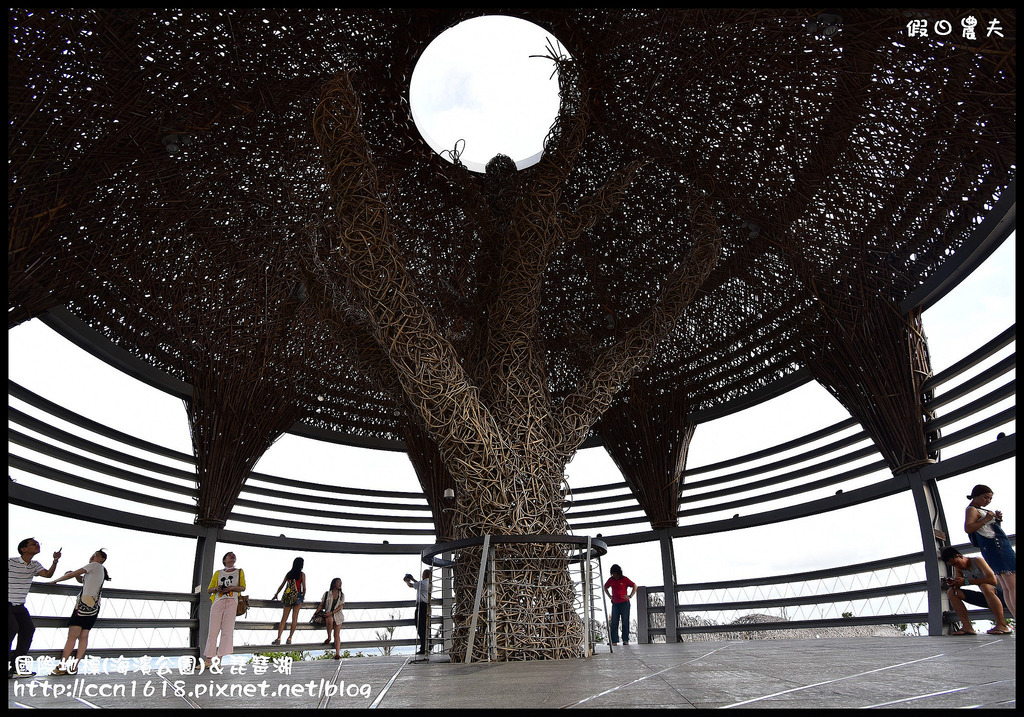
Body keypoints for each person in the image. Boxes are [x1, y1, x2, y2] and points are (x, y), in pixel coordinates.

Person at [48, 549, 111, 675]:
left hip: (82, 606)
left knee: (72, 636)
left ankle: (62, 666)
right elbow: (82, 580)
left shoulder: (93, 565)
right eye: (93, 554)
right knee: (84, 636)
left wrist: (55, 581)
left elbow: (72, 575)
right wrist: (76, 575)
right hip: (94, 607)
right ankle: (74, 666)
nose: (93, 556)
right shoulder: (101, 570)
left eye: (97, 555)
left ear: (102, 559)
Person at [9, 538, 62, 678]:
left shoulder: (34, 565)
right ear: (23, 549)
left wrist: (55, 561)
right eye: (34, 544)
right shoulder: (11, 562)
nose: (37, 545)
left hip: (20, 604)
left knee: (28, 630)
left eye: (38, 543)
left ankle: (17, 668)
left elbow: (48, 575)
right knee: (11, 629)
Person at [963, 484, 1015, 618]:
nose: (988, 501)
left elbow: (987, 531)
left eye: (990, 499)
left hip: (993, 548)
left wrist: (996, 521)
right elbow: (969, 528)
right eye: (986, 498)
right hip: (998, 547)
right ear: (976, 496)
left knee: (1008, 588)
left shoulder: (979, 510)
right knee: (1012, 586)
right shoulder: (972, 510)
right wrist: (986, 519)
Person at [940, 547, 1013, 635]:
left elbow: (993, 580)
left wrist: (967, 581)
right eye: (953, 565)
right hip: (988, 597)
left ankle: (1002, 625)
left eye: (956, 563)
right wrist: (954, 583)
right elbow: (959, 585)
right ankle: (967, 626)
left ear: (959, 556)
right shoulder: (959, 568)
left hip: (1005, 596)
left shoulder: (977, 561)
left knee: (985, 586)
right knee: (952, 592)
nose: (957, 566)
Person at [203, 551, 245, 664]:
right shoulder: (218, 573)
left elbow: (243, 587)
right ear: (224, 560)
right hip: (218, 601)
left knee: (227, 630)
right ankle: (208, 659)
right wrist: (217, 589)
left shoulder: (240, 571)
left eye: (233, 555)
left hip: (232, 601)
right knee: (213, 630)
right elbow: (209, 590)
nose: (232, 556)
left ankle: (219, 659)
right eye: (229, 555)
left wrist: (231, 588)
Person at [271, 557, 305, 645]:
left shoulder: (289, 574)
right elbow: (304, 587)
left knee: (284, 618)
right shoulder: (302, 575)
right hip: (298, 597)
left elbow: (282, 585)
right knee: (294, 618)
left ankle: (278, 638)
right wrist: (303, 597)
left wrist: (276, 594)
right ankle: (289, 638)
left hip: (288, 597)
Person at [604, 563, 637, 646]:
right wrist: (610, 596)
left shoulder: (624, 579)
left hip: (624, 603)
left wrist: (630, 596)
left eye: (615, 573)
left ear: (618, 572)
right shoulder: (611, 580)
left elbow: (635, 586)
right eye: (612, 574)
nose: (614, 575)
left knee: (625, 621)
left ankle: (625, 639)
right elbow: (605, 587)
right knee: (614, 622)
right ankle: (614, 640)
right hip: (615, 604)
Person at [316, 577, 345, 659]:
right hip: (328, 614)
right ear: (334, 584)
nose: (340, 584)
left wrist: (331, 612)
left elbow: (340, 606)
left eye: (340, 582)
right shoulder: (327, 594)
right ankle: (329, 637)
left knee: (337, 634)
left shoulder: (341, 595)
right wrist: (316, 613)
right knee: (329, 620)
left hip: (338, 615)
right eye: (338, 582)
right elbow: (321, 604)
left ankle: (337, 653)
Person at [403, 569, 430, 655]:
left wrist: (407, 581)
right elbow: (418, 584)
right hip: (426, 606)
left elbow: (411, 585)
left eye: (423, 574)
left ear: (425, 575)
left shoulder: (422, 583)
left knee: (420, 627)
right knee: (425, 627)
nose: (422, 575)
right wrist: (413, 579)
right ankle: (426, 646)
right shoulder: (428, 583)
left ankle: (423, 648)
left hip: (421, 606)